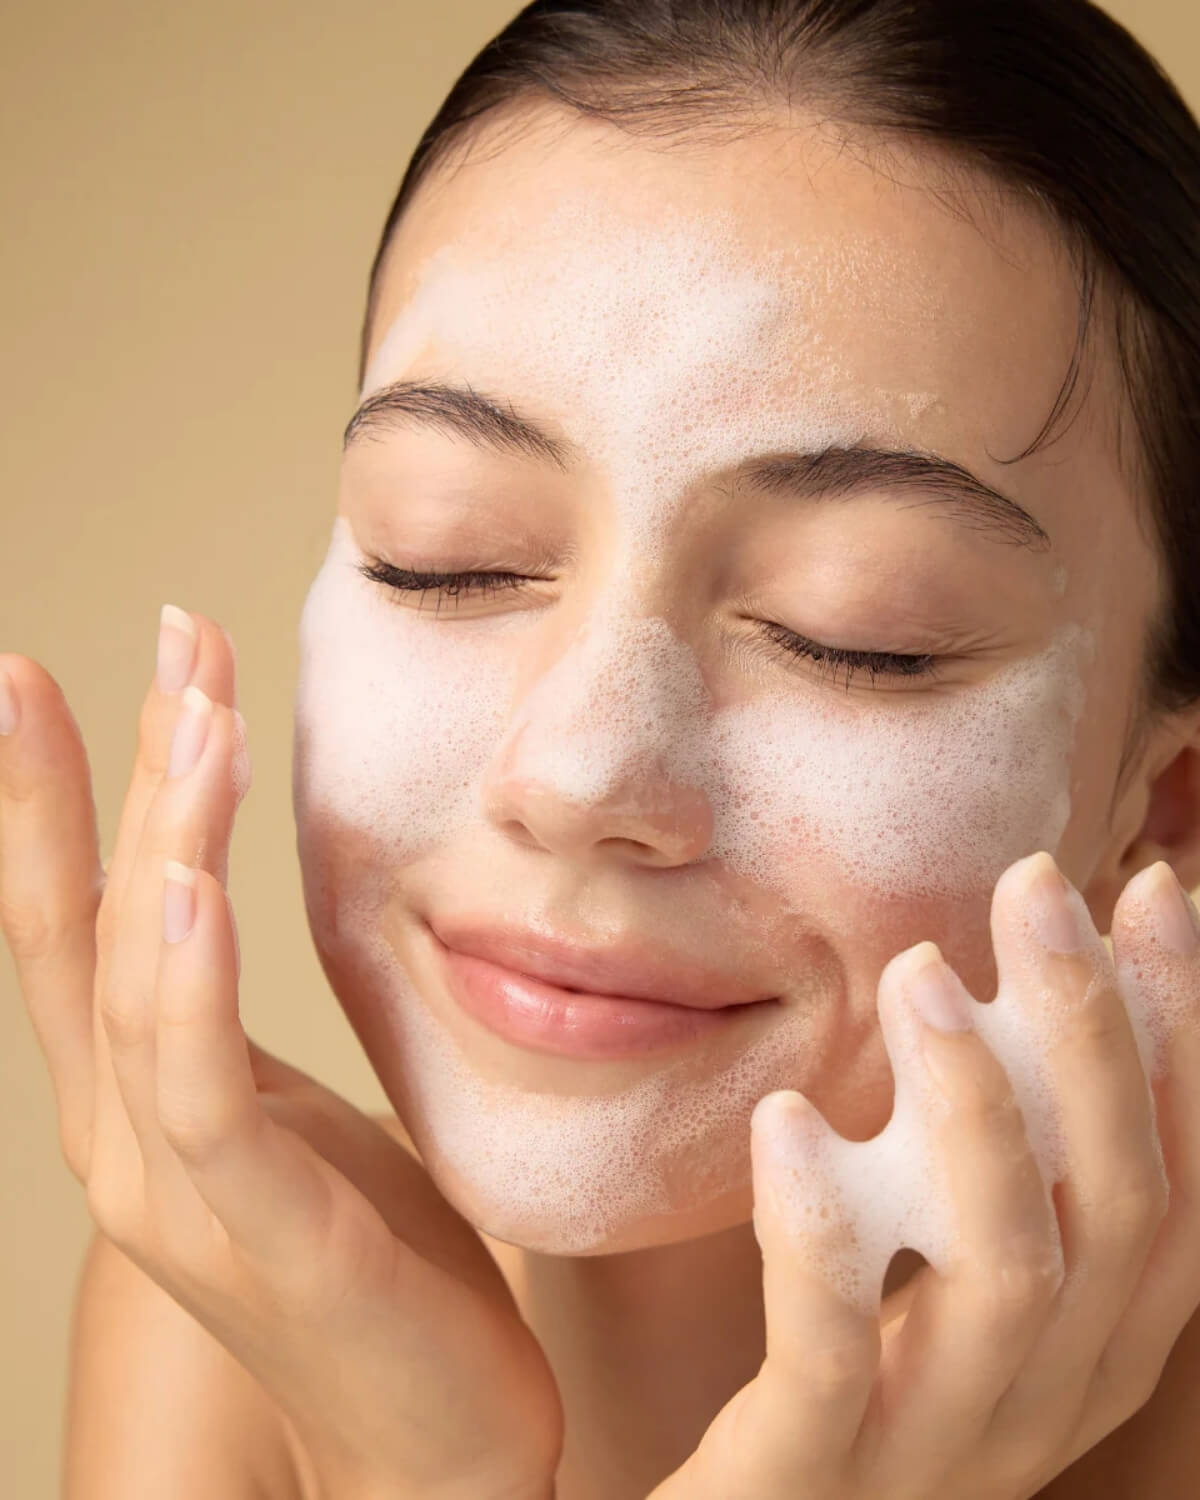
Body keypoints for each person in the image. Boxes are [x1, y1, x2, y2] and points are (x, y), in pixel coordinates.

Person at [3, 0, 1200, 1496]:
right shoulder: (252, 1323)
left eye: (855, 632)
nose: (579, 776)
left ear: (1165, 803)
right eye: (447, 553)